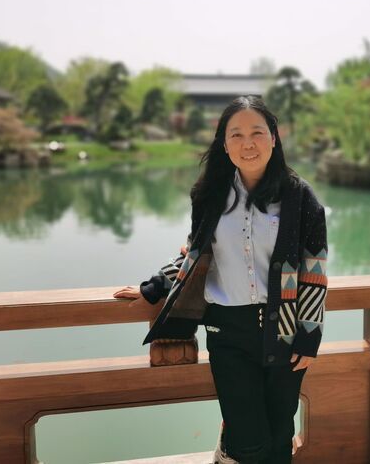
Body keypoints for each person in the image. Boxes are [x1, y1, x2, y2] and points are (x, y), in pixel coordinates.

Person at [113, 95, 328, 463]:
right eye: (236, 135)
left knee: (280, 432)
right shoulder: (210, 195)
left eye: (257, 132)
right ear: (224, 145)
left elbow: (314, 271)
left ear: (274, 138)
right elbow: (196, 254)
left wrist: (309, 336)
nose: (248, 143)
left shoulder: (300, 197)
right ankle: (231, 446)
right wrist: (154, 287)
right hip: (227, 330)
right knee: (249, 439)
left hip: (284, 329)